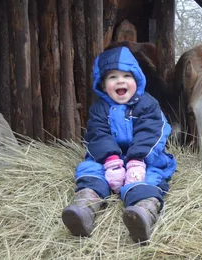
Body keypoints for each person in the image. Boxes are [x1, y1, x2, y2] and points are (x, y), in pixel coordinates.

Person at [62, 45, 177, 244]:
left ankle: (143, 213)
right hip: (110, 159)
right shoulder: (99, 109)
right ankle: (85, 208)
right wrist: (111, 161)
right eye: (112, 77)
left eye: (127, 76)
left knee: (152, 177)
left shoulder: (148, 104)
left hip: (145, 158)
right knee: (89, 170)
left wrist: (137, 160)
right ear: (103, 83)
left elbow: (152, 133)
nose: (120, 80)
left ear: (137, 80)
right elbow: (97, 135)